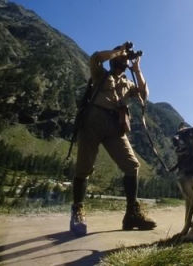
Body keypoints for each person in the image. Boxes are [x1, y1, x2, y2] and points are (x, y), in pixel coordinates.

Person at [70, 41, 156, 236]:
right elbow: (95, 58)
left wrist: (137, 69)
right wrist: (118, 51)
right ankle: (78, 211)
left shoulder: (127, 82)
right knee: (84, 168)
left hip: (115, 126)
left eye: (124, 59)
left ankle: (132, 214)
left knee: (132, 165)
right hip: (92, 121)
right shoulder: (100, 74)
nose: (123, 61)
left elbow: (144, 94)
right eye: (120, 58)